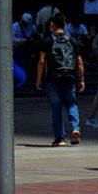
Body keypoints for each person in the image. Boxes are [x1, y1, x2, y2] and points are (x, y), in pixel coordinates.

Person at [36, 13, 85, 147]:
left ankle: (60, 138)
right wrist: (81, 79)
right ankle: (75, 128)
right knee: (72, 104)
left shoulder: (47, 40)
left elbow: (41, 61)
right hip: (69, 78)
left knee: (56, 109)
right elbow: (79, 62)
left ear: (52, 24)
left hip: (53, 79)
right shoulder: (72, 40)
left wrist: (38, 79)